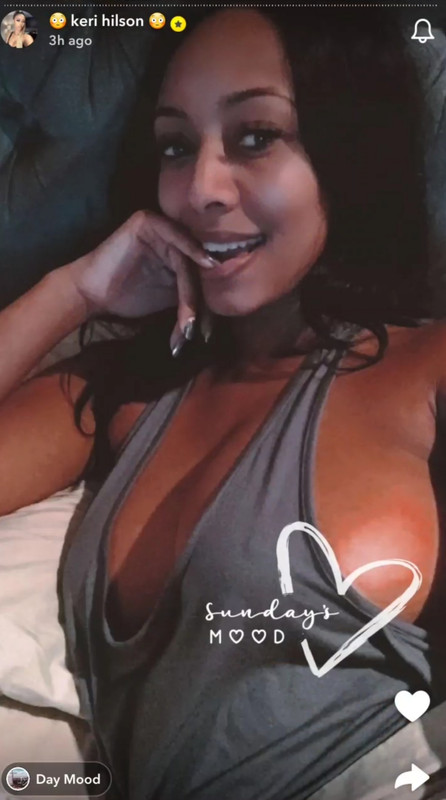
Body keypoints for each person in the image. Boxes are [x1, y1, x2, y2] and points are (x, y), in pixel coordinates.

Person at [0, 7, 445, 799]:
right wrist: (72, 292)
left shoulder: (425, 369)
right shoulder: (129, 392)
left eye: (256, 136)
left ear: (345, 151)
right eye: (176, 146)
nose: (199, 188)